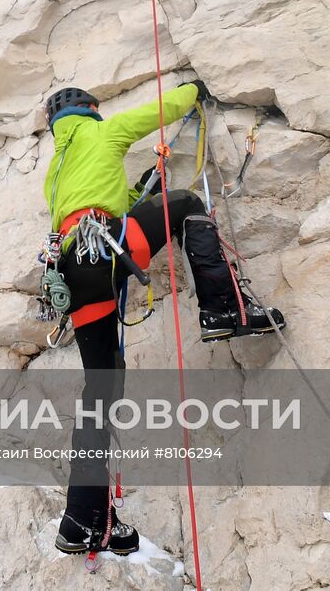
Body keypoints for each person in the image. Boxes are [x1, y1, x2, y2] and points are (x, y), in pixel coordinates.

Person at [40, 81, 285, 556]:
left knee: (102, 389)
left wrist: (138, 192)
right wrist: (193, 88)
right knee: (189, 204)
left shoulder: (56, 167)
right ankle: (224, 307)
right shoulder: (102, 132)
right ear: (90, 110)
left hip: (75, 270)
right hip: (107, 246)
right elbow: (160, 110)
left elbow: (97, 201)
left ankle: (82, 521)